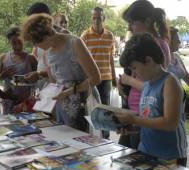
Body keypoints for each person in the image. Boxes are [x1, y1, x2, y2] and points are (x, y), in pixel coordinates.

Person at [21, 13, 101, 132]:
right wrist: (44, 96)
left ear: (46, 36)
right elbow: (55, 83)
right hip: (63, 105)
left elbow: (95, 78)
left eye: (35, 42)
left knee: (82, 140)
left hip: (83, 102)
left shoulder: (75, 43)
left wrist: (69, 91)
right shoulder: (47, 53)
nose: (35, 46)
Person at [116, 33, 187, 166]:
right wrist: (132, 127)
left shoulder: (169, 82)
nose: (134, 74)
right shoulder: (147, 85)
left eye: (135, 68)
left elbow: (170, 123)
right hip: (147, 151)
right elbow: (149, 120)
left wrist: (133, 119)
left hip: (169, 156)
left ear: (148, 61)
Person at [118, 0, 171, 149]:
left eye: (132, 22)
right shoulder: (137, 44)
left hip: (146, 115)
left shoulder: (159, 46)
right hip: (134, 111)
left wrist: (128, 81)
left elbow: (157, 87)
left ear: (147, 21)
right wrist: (122, 84)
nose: (129, 27)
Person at [81, 7, 117, 139]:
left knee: (106, 108)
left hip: (106, 77)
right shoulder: (85, 36)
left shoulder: (110, 36)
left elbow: (111, 58)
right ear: (91, 18)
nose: (96, 20)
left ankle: (105, 137)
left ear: (104, 18)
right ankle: (93, 136)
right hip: (91, 78)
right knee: (93, 108)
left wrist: (114, 77)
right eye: (94, 17)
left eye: (99, 17)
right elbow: (81, 60)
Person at [0, 26, 38, 114]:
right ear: (9, 42)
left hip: (25, 101)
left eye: (19, 41)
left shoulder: (31, 58)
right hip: (8, 99)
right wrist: (3, 75)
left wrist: (25, 83)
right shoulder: (4, 58)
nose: (17, 45)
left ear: (24, 40)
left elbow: (38, 78)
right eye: (13, 43)